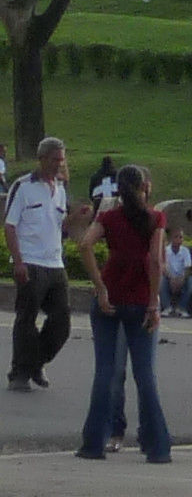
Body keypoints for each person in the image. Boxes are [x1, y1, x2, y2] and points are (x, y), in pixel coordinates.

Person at [73, 160, 170, 464]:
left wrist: (100, 285)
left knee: (105, 372)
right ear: (145, 187)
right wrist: (154, 301)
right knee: (145, 374)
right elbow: (155, 261)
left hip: (110, 297)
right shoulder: (155, 219)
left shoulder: (110, 217)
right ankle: (156, 445)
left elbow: (85, 245)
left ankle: (94, 443)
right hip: (140, 300)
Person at [5, 135, 74, 392]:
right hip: (31, 261)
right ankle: (20, 373)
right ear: (42, 158)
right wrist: (19, 261)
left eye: (62, 160)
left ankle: (35, 362)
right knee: (27, 317)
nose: (59, 164)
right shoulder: (23, 187)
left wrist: (74, 220)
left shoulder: (60, 189)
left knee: (61, 322)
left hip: (55, 263)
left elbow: (60, 227)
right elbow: (10, 226)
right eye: (55, 159)